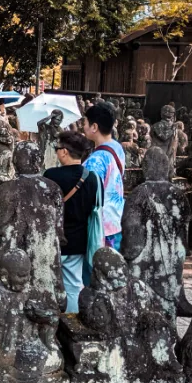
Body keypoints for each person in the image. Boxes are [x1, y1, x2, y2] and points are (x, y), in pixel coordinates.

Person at [44, 131, 101, 313]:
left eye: (57, 148)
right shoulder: (92, 178)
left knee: (46, 282)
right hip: (78, 240)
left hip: (53, 240)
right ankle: (71, 322)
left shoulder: (51, 176)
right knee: (73, 284)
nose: (57, 152)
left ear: (65, 152)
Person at [82, 102, 125, 250]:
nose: (83, 126)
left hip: (101, 226)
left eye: (85, 122)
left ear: (94, 127)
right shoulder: (117, 147)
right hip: (116, 218)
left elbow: (88, 194)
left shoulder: (96, 160)